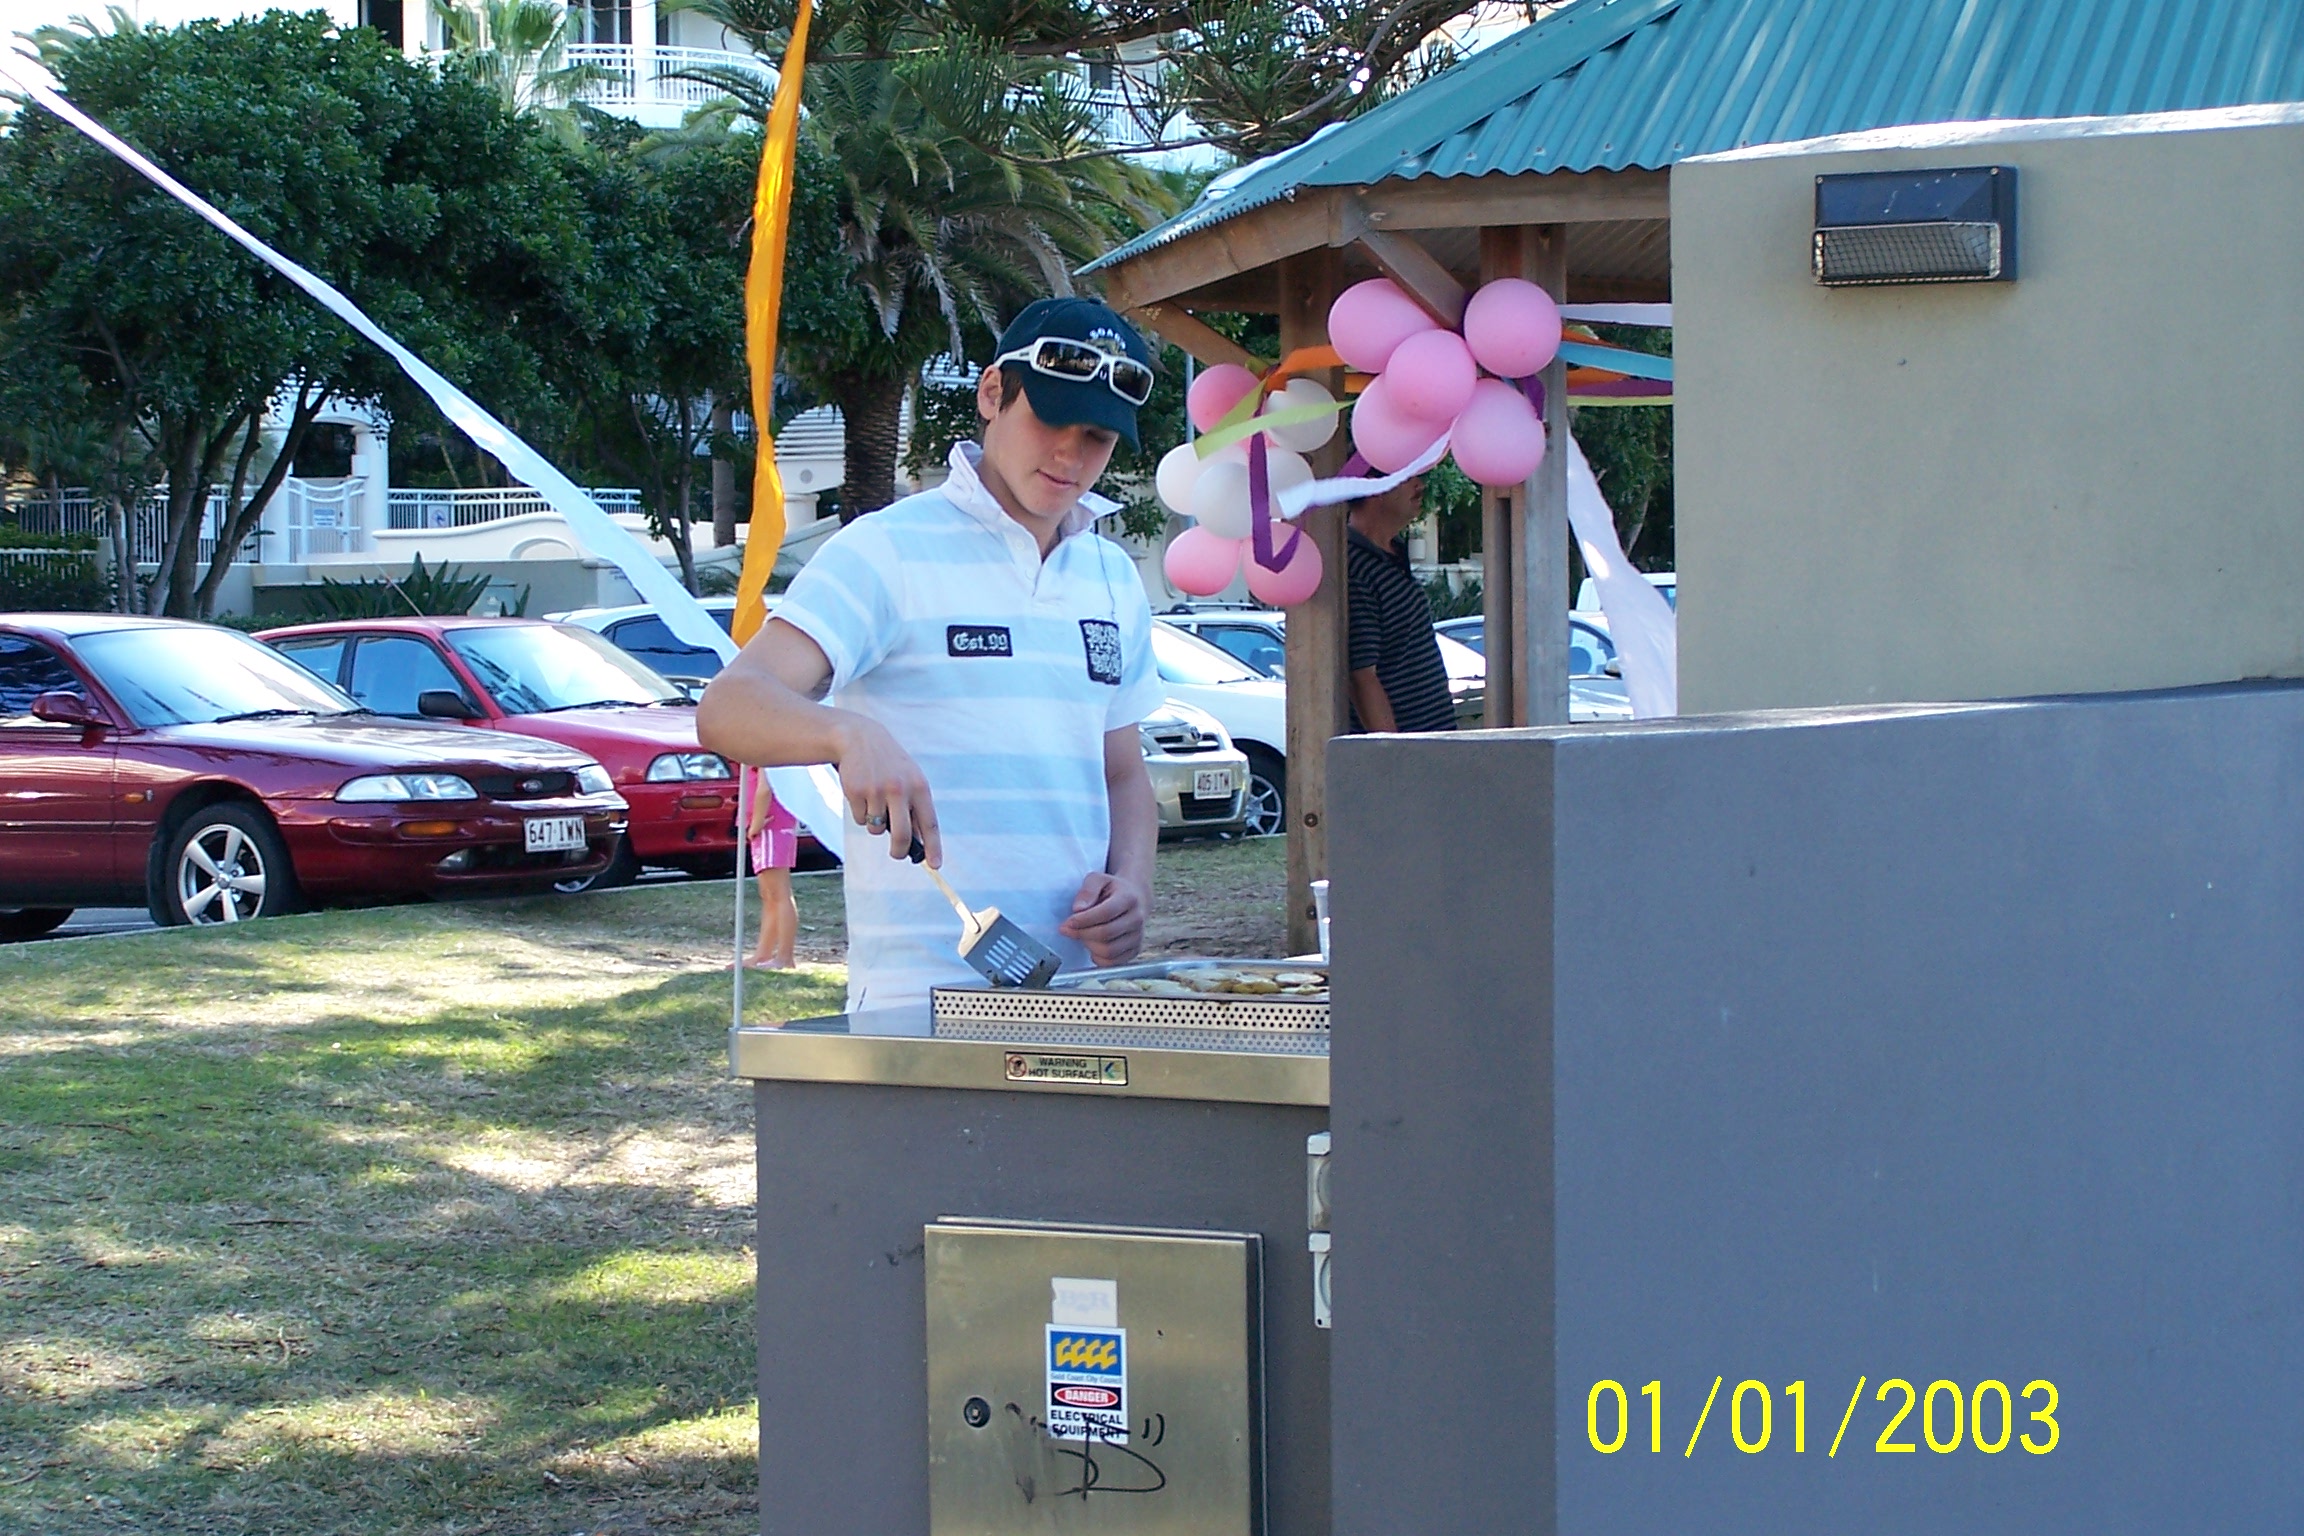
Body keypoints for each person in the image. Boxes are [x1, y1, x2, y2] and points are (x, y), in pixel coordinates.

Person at [697, 297, 1165, 1014]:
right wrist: (847, 733)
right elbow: (727, 707)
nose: (1071, 455)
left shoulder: (1112, 575)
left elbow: (1124, 775)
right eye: (1050, 419)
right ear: (992, 393)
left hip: (1077, 1001)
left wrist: (1131, 886)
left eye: (1097, 436)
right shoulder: (886, 548)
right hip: (916, 1007)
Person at [1345, 475, 1456, 734]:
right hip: (1408, 747)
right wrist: (1392, 749)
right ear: (1374, 488)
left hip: (1430, 741)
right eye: (1407, 477)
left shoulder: (1391, 553)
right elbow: (1361, 677)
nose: (1420, 486)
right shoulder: (1355, 568)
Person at [741, 765, 798, 969]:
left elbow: (765, 788)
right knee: (769, 895)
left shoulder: (765, 754)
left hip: (771, 826)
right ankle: (762, 954)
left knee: (779, 894)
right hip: (770, 826)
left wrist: (756, 823)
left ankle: (785, 956)